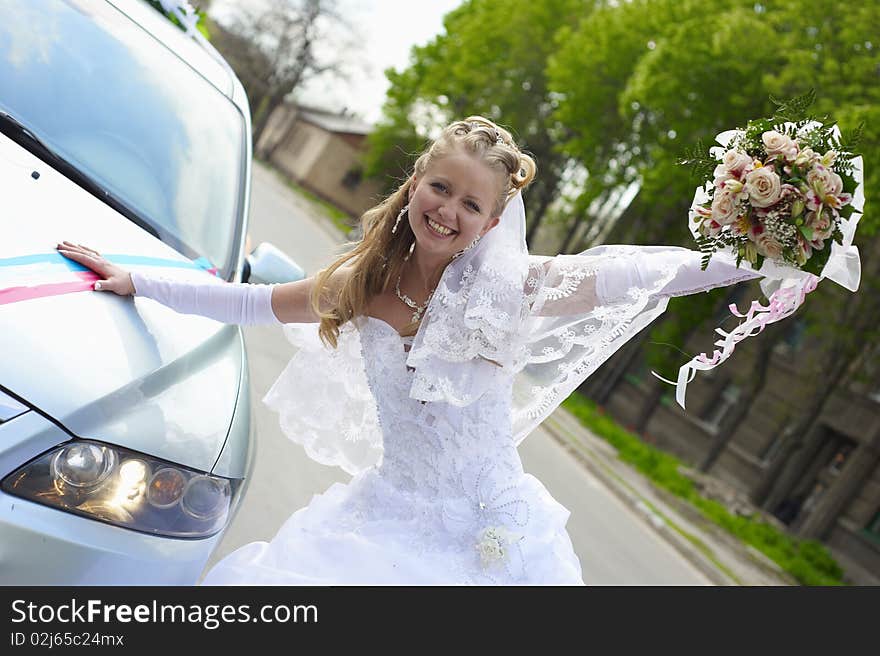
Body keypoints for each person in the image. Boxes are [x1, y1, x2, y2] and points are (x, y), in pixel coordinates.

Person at [57, 116, 766, 585]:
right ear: (413, 187)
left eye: (470, 205)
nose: (447, 211)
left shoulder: (511, 293)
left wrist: (756, 258)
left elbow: (634, 274)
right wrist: (140, 281)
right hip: (380, 521)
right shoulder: (362, 285)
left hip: (488, 542)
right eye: (439, 188)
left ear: (490, 225)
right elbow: (250, 304)